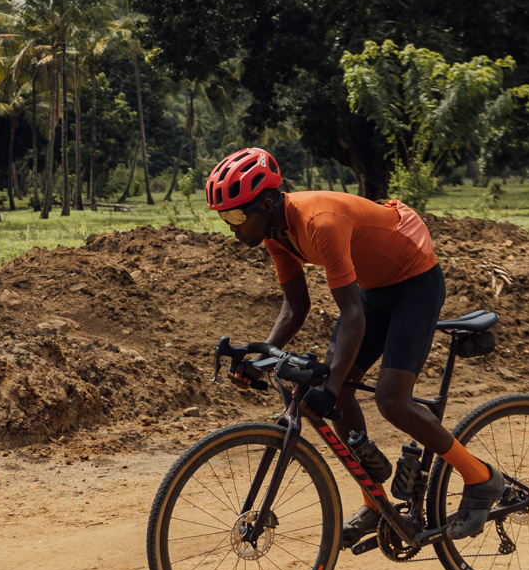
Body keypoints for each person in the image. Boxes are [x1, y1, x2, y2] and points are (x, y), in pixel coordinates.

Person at [207, 147, 504, 543]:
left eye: (236, 217)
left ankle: (481, 477)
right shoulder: (277, 235)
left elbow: (352, 316)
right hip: (374, 288)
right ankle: (375, 504)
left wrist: (330, 387)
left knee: (391, 401)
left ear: (265, 204)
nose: (232, 228)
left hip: (414, 280)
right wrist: (256, 357)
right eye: (225, 218)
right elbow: (296, 307)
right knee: (338, 393)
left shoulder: (319, 222)